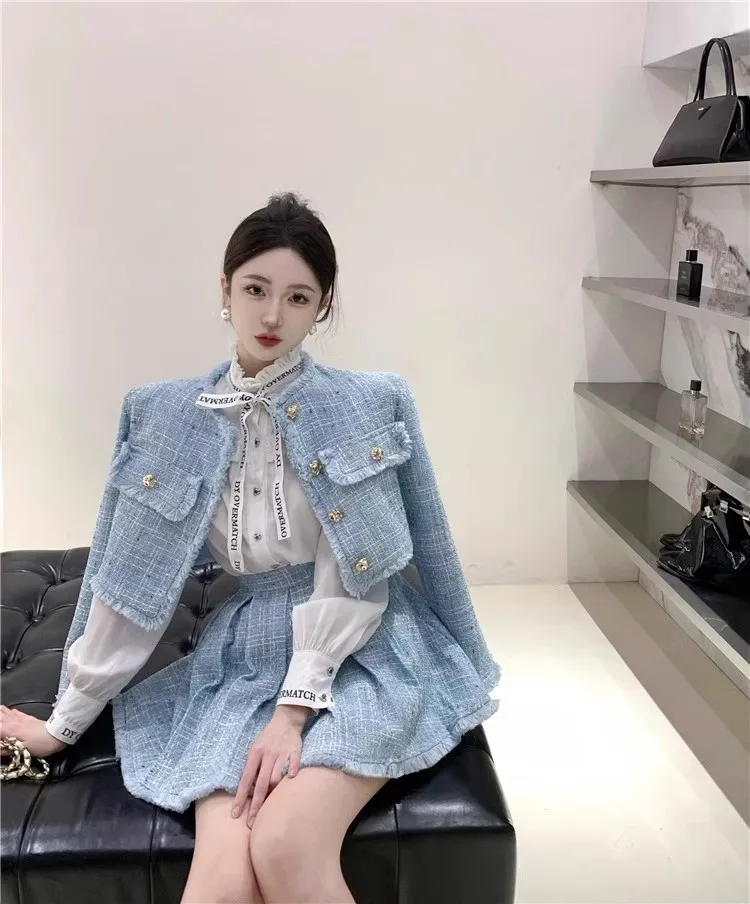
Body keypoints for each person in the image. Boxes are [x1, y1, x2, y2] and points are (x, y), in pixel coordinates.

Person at [0, 192, 501, 904]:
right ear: (225, 290)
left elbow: (357, 575)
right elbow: (130, 580)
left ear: (322, 308)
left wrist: (291, 714)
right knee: (222, 880)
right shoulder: (163, 414)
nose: (272, 316)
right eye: (256, 289)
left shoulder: (367, 403)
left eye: (298, 298)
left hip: (365, 649)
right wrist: (64, 722)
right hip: (241, 657)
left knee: (286, 843)